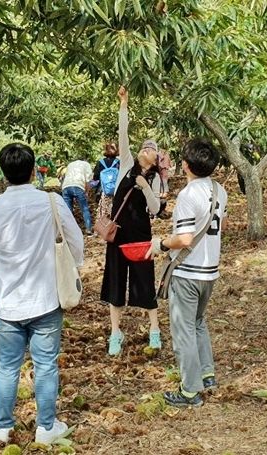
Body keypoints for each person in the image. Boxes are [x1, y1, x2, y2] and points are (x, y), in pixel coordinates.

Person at [0, 143, 84, 444]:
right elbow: (76, 242)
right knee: (46, 364)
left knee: (7, 366)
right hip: (46, 299)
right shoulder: (51, 202)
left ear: (3, 173)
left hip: (7, 304)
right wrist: (74, 266)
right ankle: (46, 428)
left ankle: (3, 426)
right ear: (33, 170)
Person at [146, 138, 228, 408]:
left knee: (183, 330)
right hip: (209, 271)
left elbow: (184, 239)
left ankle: (190, 391)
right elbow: (221, 224)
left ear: (186, 165)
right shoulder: (220, 190)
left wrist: (160, 244)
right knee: (198, 323)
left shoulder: (188, 195)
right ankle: (207, 375)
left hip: (188, 272)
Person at [100, 86, 163, 356]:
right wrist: (123, 105)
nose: (146, 149)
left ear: (156, 157)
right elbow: (122, 134)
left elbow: (156, 208)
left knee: (144, 281)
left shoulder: (155, 177)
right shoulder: (126, 162)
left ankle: (154, 330)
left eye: (151, 148)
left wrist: (144, 186)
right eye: (144, 146)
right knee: (115, 281)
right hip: (119, 234)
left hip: (140, 235)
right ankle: (115, 332)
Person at [62, 156, 94, 235]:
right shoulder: (86, 164)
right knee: (84, 208)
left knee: (68, 211)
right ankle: (88, 228)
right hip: (78, 186)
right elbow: (88, 181)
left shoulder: (70, 164)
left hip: (66, 187)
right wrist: (87, 192)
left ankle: (68, 231)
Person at [92, 143, 120, 218]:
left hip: (103, 191)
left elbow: (95, 178)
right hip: (116, 192)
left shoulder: (100, 162)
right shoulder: (118, 162)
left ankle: (103, 228)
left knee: (103, 214)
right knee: (115, 212)